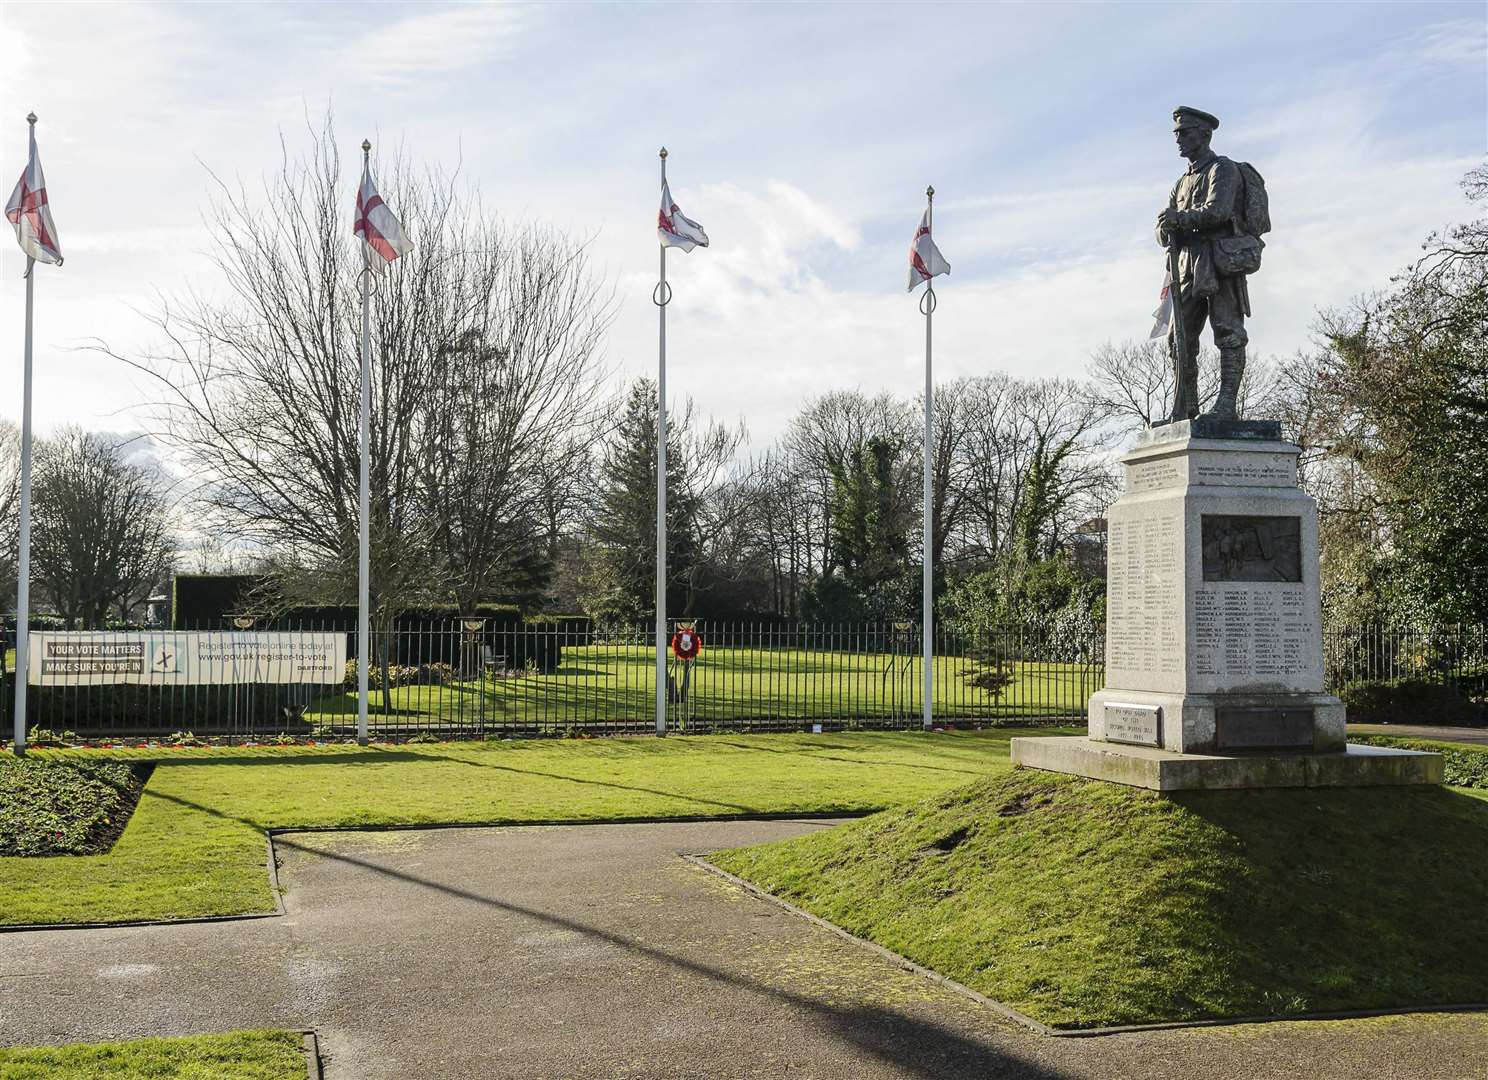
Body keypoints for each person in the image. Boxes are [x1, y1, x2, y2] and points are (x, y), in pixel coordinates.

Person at [1156, 106, 1250, 422]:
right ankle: (1186, 407)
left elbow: (1218, 212)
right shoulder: (1180, 183)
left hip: (1219, 261)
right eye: (1176, 134)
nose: (1178, 139)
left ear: (1204, 134)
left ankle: (1226, 407)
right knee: (1178, 339)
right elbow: (1164, 228)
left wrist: (1179, 220)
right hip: (1185, 267)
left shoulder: (1222, 169)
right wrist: (1164, 228)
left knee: (1228, 331)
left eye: (1184, 132)